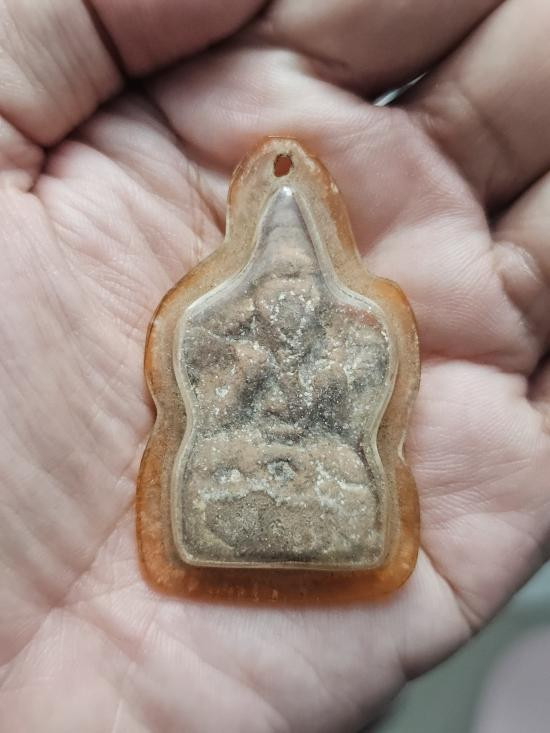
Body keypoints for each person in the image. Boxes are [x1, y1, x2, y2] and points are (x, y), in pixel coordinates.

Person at [0, 2, 548, 731]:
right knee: (224, 468)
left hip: (323, 469)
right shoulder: (223, 329)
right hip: (243, 465)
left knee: (346, 476)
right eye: (277, 287)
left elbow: (354, 423)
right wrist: (248, 391)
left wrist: (321, 405)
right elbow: (212, 414)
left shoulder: (354, 333)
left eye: (299, 286)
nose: (290, 301)